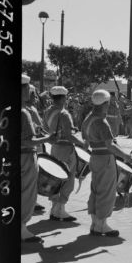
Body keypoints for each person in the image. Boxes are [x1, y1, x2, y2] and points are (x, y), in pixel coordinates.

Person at [82, 90, 132, 236]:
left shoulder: (88, 119)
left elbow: (85, 143)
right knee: (107, 191)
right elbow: (110, 145)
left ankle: (94, 223)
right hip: (105, 158)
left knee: (96, 189)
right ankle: (102, 225)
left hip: (94, 157)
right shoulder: (101, 122)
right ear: (105, 103)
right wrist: (126, 156)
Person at [21, 74, 57, 242]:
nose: (31, 92)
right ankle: (21, 228)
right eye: (29, 88)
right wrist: (47, 139)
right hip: (25, 155)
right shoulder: (24, 112)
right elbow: (28, 140)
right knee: (27, 191)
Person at [44, 86, 86, 221]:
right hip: (66, 149)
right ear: (63, 98)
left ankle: (54, 209)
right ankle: (60, 210)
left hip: (55, 148)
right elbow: (69, 136)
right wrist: (82, 143)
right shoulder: (64, 113)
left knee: (55, 179)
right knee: (68, 181)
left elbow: (46, 129)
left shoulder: (48, 111)